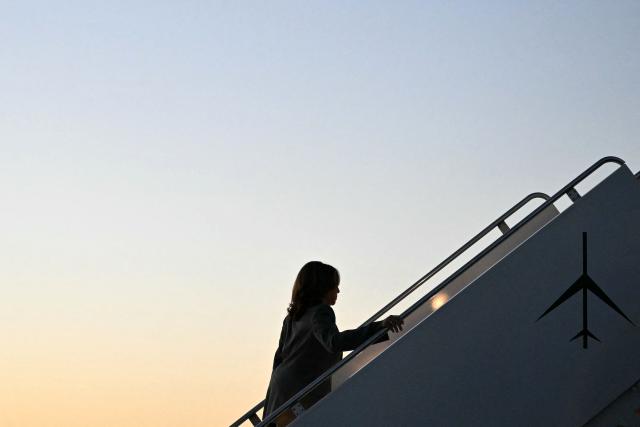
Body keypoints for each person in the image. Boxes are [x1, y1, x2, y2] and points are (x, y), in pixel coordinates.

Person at [263, 261, 404, 425]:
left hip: (280, 387)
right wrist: (379, 327)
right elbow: (334, 342)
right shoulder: (320, 312)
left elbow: (280, 356)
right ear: (322, 287)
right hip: (302, 390)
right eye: (335, 285)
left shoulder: (292, 317)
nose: (338, 290)